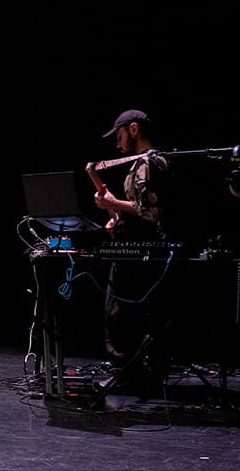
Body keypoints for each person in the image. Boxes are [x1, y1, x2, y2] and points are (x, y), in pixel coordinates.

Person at [92, 109, 175, 388]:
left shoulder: (150, 163)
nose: (118, 144)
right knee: (125, 313)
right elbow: (142, 209)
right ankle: (134, 372)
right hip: (135, 248)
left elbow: (151, 212)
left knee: (119, 312)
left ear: (134, 129)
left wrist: (113, 204)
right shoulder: (142, 163)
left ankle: (130, 374)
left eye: (120, 136)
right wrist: (118, 219)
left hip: (141, 253)